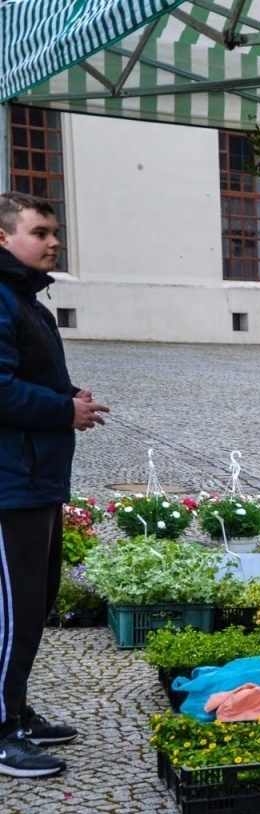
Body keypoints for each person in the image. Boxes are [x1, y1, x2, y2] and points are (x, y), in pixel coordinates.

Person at [1, 191, 104, 777]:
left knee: (35, 605)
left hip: (36, 479)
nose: (53, 241)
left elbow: (25, 380)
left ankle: (13, 707)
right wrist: (63, 412)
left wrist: (66, 399)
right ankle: (1, 729)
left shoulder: (27, 301)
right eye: (40, 231)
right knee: (12, 612)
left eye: (55, 231)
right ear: (4, 237)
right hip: (9, 484)